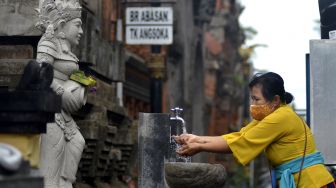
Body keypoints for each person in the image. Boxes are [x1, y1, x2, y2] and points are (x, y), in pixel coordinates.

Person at [174, 72, 335, 188]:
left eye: (256, 99)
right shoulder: (272, 115)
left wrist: (200, 146)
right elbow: (239, 136)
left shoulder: (281, 118)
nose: (253, 104)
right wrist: (196, 139)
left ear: (275, 100)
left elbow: (241, 142)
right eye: (252, 98)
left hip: (313, 183)